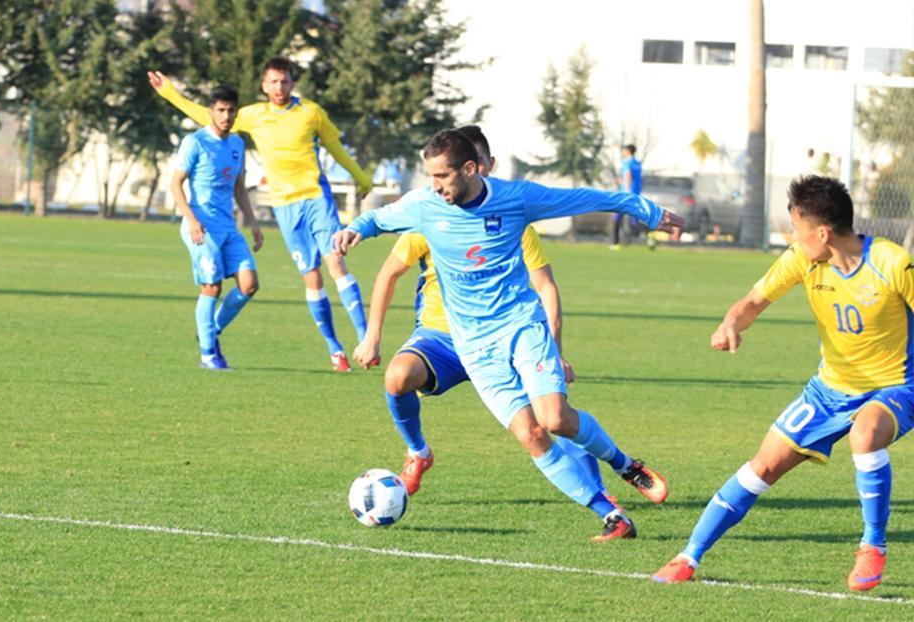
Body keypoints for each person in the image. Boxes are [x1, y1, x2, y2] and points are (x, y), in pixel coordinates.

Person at [335, 129, 685, 539]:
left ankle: (625, 464)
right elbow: (380, 217)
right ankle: (612, 515)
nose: (435, 186)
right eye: (430, 176)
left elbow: (588, 198)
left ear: (470, 169)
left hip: (521, 326)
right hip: (473, 346)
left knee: (555, 419)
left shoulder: (516, 198)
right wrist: (354, 229)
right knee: (531, 435)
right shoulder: (426, 205)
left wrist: (647, 211)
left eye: (442, 176)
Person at [653, 175, 914, 591]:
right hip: (829, 389)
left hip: (896, 385)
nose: (794, 237)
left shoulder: (892, 263)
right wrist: (730, 323)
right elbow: (753, 302)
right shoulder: (801, 259)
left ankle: (872, 545)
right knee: (764, 465)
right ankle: (688, 555)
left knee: (865, 433)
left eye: (797, 228)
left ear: (823, 233)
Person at [149, 57, 373, 372]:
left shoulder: (311, 112)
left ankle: (365, 339)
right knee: (310, 276)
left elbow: (336, 148)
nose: (279, 87)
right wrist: (170, 94)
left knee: (333, 263)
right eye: (273, 82)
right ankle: (334, 349)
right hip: (282, 206)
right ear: (264, 85)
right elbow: (208, 115)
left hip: (315, 197)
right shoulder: (251, 116)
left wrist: (360, 176)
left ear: (292, 83)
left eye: (284, 81)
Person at [170, 85, 264, 370]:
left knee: (249, 285)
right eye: (221, 110)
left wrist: (253, 223)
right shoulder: (195, 142)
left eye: (231, 110)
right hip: (202, 226)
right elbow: (175, 184)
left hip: (228, 227)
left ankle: (210, 331)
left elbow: (239, 188)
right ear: (210, 111)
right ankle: (209, 355)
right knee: (212, 287)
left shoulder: (237, 144)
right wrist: (191, 219)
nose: (226, 116)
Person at [610, 144, 642, 250]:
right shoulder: (637, 163)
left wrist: (626, 189)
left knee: (617, 217)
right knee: (634, 220)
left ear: (628, 151)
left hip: (626, 194)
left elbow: (627, 175)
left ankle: (615, 243)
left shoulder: (627, 162)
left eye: (623, 150)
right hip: (636, 194)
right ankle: (649, 237)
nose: (622, 152)